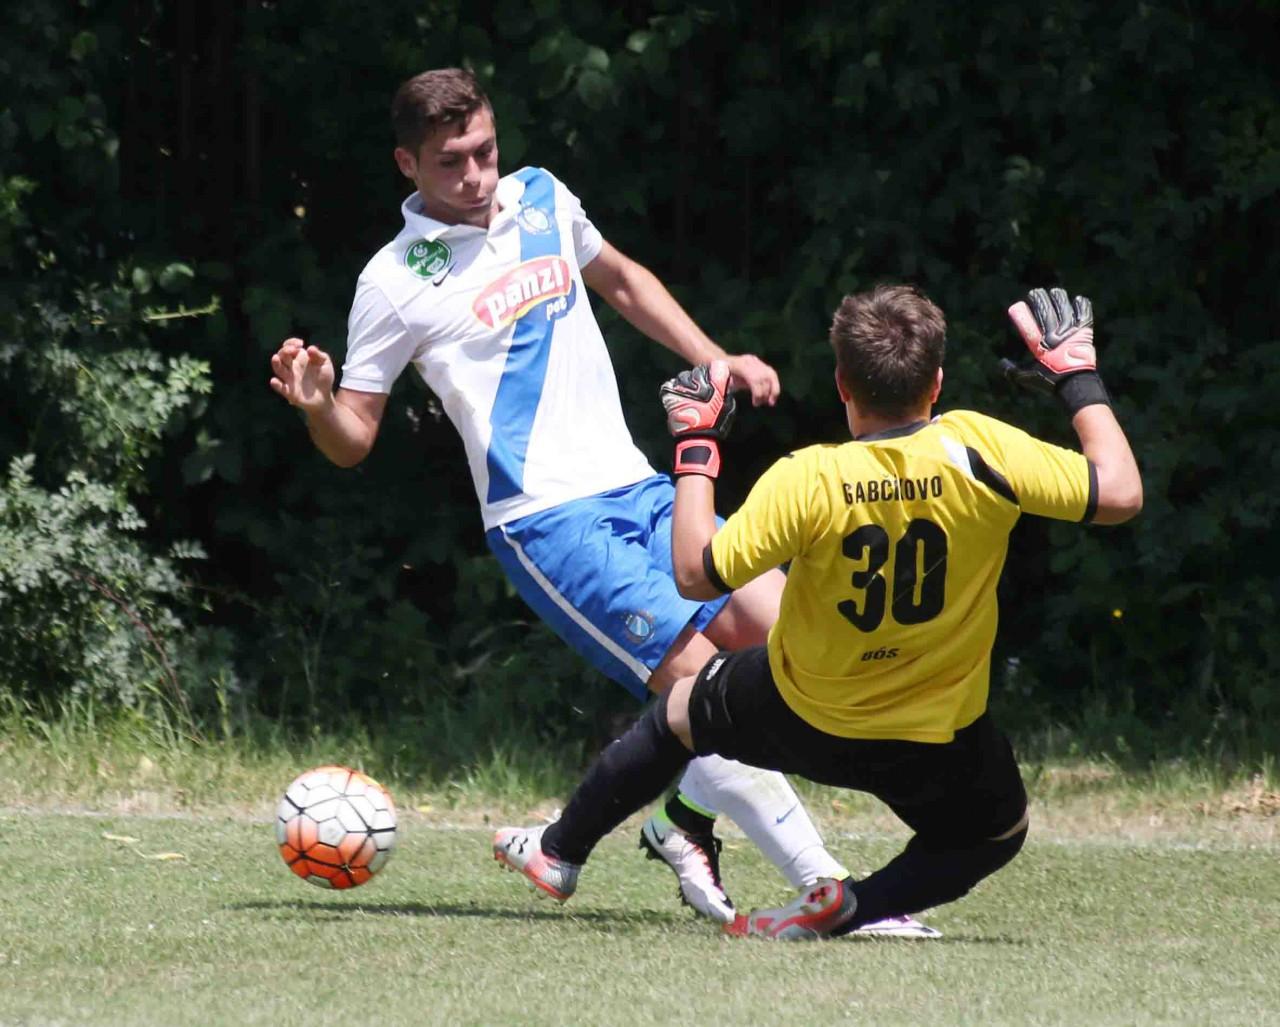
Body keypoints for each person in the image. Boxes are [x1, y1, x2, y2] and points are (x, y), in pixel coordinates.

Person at [268, 67, 931, 936]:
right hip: (547, 521)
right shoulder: (393, 280)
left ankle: (680, 819)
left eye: (484, 152)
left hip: (641, 487)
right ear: (407, 164)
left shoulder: (540, 196)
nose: (475, 176)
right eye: (450, 162)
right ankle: (833, 894)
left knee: (803, 638)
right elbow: (353, 436)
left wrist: (715, 358)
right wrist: (319, 405)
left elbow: (620, 279)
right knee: (706, 688)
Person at [493, 283, 1143, 938]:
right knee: (993, 834)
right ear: (937, 382)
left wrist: (696, 445)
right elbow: (1120, 491)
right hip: (936, 733)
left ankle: (561, 851)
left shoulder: (809, 476)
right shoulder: (981, 449)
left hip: (803, 714)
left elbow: (693, 573)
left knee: (681, 711)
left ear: (841, 385)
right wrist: (1076, 377)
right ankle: (854, 904)